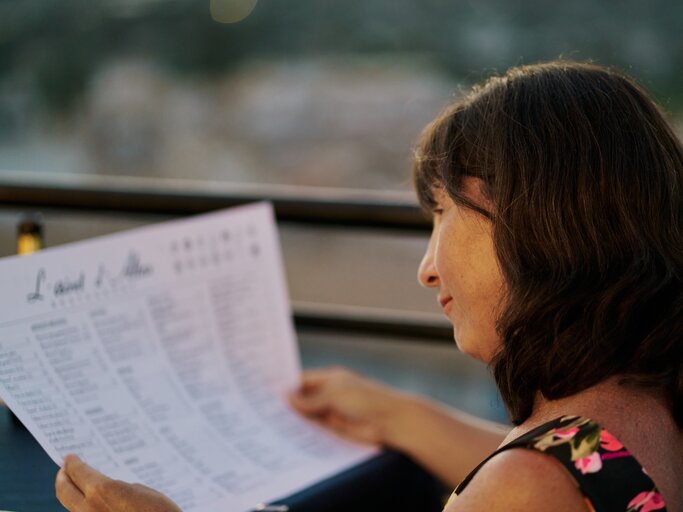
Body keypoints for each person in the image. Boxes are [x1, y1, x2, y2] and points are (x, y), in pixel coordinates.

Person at [55, 60, 682, 511]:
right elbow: (585, 466)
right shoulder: (646, 412)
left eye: (444, 214)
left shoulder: (523, 488)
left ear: (541, 228)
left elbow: (528, 481)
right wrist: (393, 413)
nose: (427, 267)